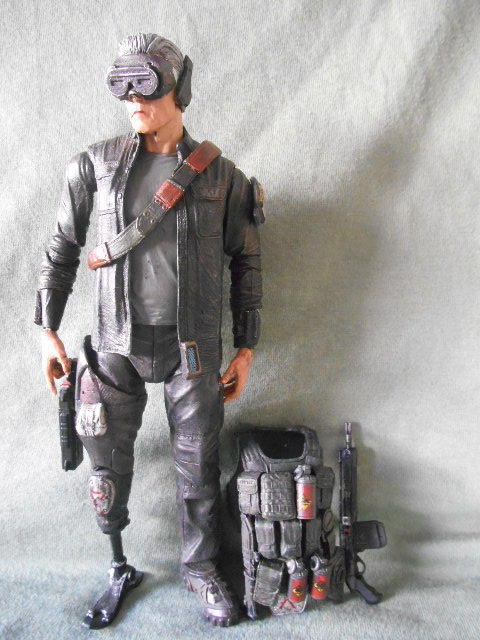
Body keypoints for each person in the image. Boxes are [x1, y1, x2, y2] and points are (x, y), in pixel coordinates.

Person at [35, 33, 263, 628]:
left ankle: (201, 568)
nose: (134, 100)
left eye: (148, 85)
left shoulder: (222, 177)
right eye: (124, 87)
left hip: (192, 348)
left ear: (179, 88)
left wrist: (246, 346)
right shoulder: (93, 166)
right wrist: (46, 329)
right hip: (116, 343)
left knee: (198, 467)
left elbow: (247, 260)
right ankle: (118, 565)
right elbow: (62, 247)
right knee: (106, 468)